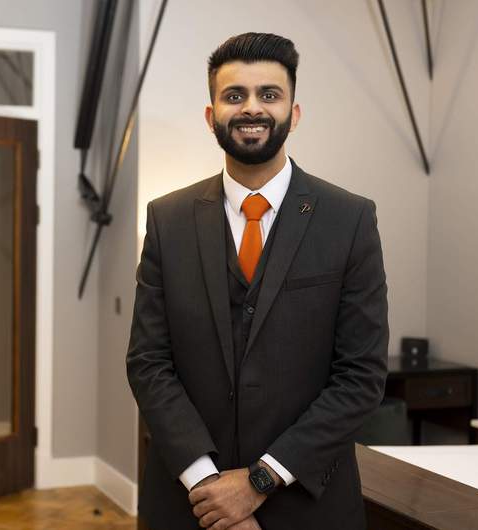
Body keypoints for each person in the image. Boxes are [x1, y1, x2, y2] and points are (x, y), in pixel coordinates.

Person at [126, 32, 388, 530]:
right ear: (211, 116)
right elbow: (148, 362)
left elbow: (361, 376)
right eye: (234, 95)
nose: (252, 108)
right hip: (188, 506)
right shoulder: (167, 219)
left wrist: (258, 482)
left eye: (269, 94)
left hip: (309, 502)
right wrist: (208, 486)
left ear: (294, 111)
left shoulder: (350, 219)